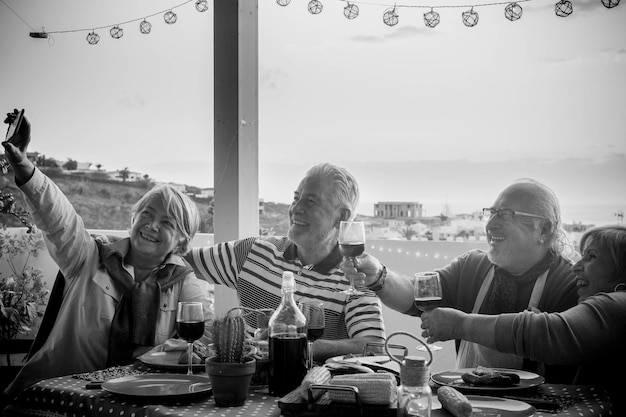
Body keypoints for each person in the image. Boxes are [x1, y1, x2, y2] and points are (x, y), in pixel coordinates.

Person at [1, 110, 213, 401]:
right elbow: (58, 218)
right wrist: (23, 165)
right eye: (147, 214)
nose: (152, 225)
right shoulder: (88, 256)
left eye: (167, 223)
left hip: (136, 401)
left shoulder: (183, 282)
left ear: (181, 241)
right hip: (54, 395)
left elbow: (204, 336)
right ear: (133, 218)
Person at [341, 178, 579, 382]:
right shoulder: (473, 266)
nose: (490, 224)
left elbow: (558, 346)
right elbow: (415, 294)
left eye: (505, 215)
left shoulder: (571, 282)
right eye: (492, 213)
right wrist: (379, 276)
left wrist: (461, 324)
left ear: (544, 229)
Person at [185, 162, 386, 363]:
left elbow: (374, 347)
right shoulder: (253, 252)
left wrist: (299, 345)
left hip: (309, 390)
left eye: (310, 201)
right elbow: (180, 262)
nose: (296, 209)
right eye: (296, 198)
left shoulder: (356, 277)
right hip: (246, 384)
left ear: (341, 216)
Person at [420, 224, 626, 414]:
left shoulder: (618, 304)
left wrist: (460, 324)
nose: (576, 266)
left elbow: (548, 333)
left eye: (591, 256)